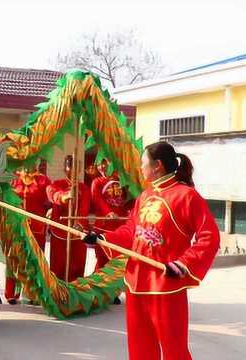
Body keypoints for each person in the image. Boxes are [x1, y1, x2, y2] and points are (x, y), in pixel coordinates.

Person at [83, 141, 220, 360]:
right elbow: (131, 231)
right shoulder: (145, 196)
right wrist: (103, 238)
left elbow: (210, 236)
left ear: (157, 165)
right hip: (136, 281)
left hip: (166, 285)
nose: (140, 167)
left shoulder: (186, 196)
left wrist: (184, 263)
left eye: (143, 162)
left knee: (174, 348)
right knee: (140, 347)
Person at [6, 165, 51, 304]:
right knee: (14, 257)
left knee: (34, 259)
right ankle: (12, 292)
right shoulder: (13, 179)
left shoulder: (43, 180)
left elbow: (50, 202)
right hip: (16, 225)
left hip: (37, 227)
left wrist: (50, 212)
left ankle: (33, 293)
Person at [46, 155, 91, 281]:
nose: (73, 169)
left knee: (77, 263)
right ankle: (58, 291)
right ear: (65, 168)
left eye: (77, 167)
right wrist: (65, 196)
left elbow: (85, 208)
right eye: (70, 166)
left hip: (77, 230)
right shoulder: (56, 184)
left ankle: (74, 291)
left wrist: (80, 223)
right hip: (60, 229)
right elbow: (52, 194)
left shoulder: (84, 188)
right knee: (59, 263)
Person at [90, 158, 133, 269]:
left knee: (118, 259)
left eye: (105, 163)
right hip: (103, 226)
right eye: (99, 164)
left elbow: (128, 200)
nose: (102, 167)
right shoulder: (97, 182)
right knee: (102, 258)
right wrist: (108, 212)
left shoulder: (122, 180)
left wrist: (130, 214)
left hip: (120, 227)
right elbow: (97, 199)